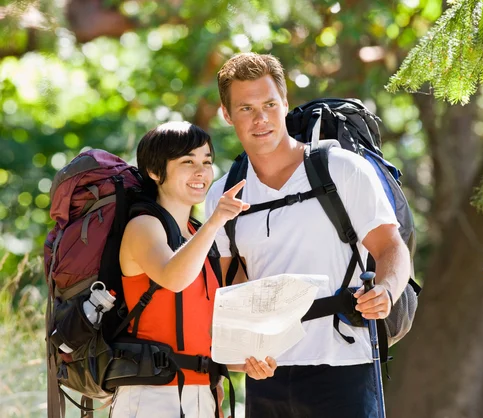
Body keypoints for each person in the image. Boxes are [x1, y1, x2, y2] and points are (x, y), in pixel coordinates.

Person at [205, 53, 411, 418]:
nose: (261, 118)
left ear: (285, 103)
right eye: (246, 108)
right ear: (226, 114)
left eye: (269, 104)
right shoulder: (225, 194)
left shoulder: (342, 168)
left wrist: (387, 291)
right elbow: (233, 282)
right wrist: (245, 351)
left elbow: (390, 247)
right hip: (267, 373)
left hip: (345, 363)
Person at [113, 121, 277, 418]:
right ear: (154, 171)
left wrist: (243, 362)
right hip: (151, 395)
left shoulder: (198, 234)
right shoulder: (143, 226)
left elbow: (202, 328)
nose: (201, 172)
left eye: (206, 161)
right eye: (187, 162)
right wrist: (216, 222)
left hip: (204, 394)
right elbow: (173, 278)